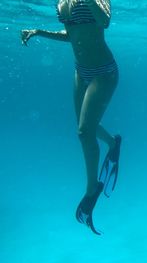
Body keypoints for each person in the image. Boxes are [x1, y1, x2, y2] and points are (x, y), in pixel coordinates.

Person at [20, 0, 121, 235]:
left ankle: (91, 191)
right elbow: (73, 34)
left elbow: (104, 21)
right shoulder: (62, 1)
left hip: (103, 72)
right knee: (85, 127)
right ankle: (113, 143)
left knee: (84, 131)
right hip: (81, 72)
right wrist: (39, 32)